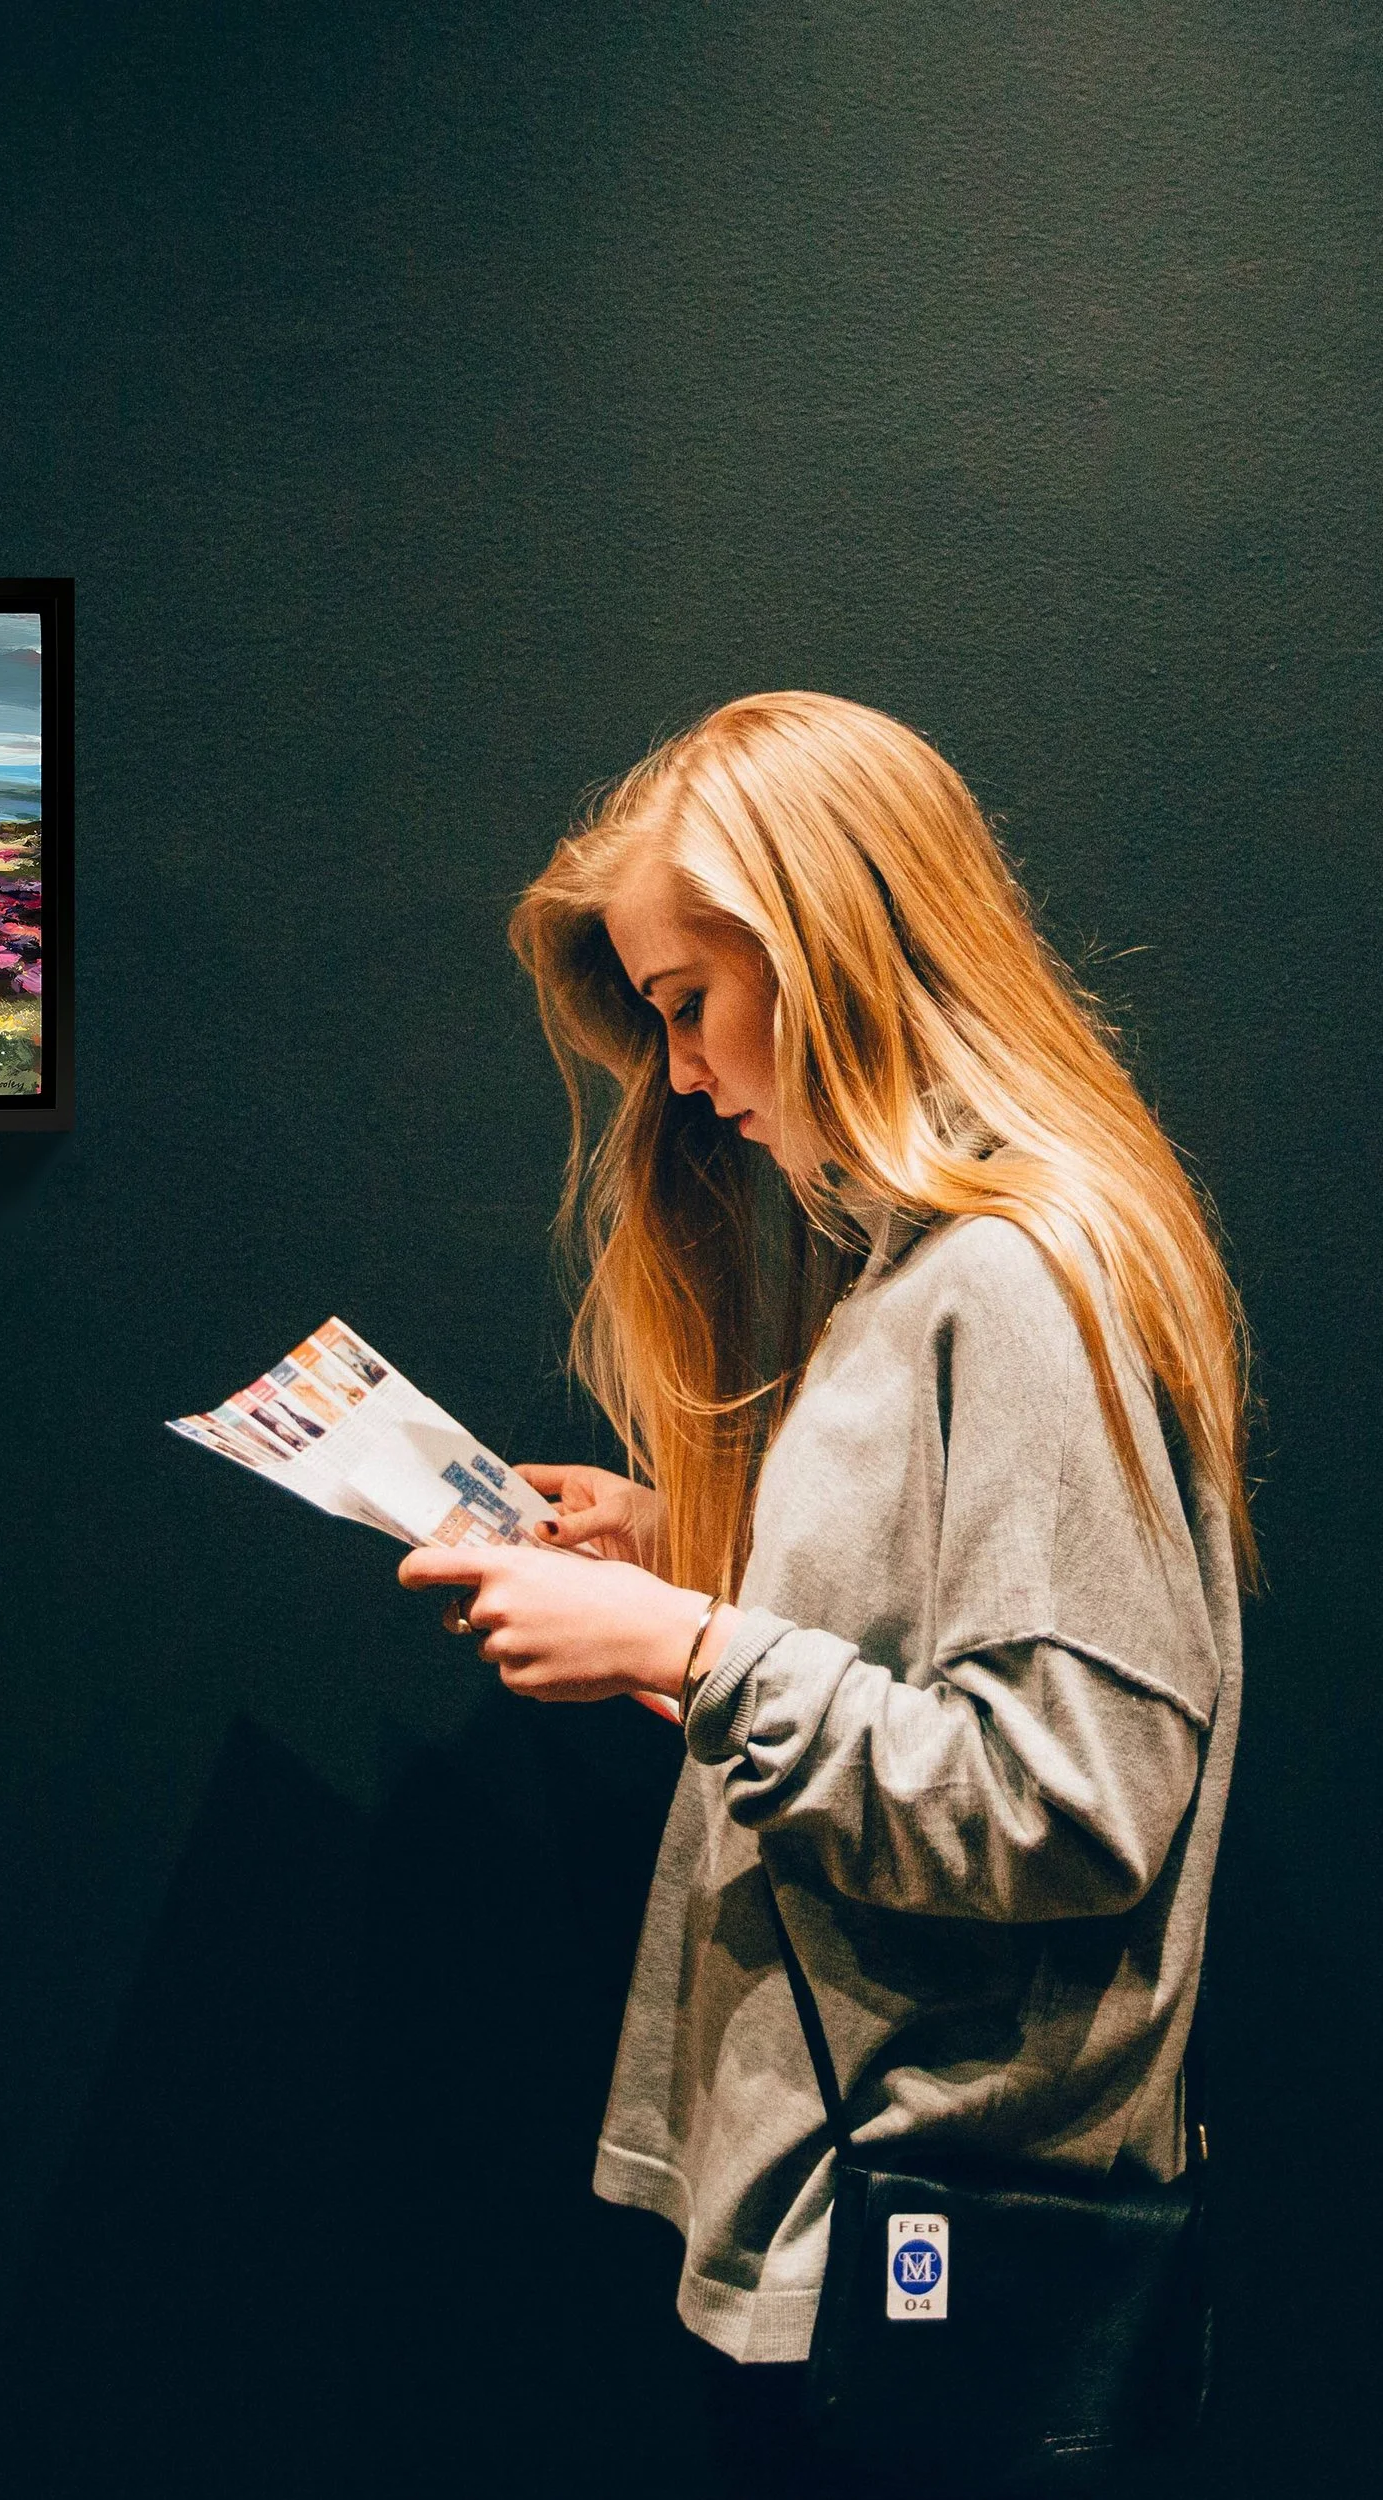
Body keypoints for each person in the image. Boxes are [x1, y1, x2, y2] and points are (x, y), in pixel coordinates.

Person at [400, 692, 1246, 2492]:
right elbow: (926, 1669)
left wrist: (698, 1651)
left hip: (932, 2235)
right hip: (861, 2215)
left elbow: (1075, 1798)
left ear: (831, 946)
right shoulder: (938, 1273)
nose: (687, 1078)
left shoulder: (1014, 1279)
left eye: (690, 1004)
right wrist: (683, 1576)